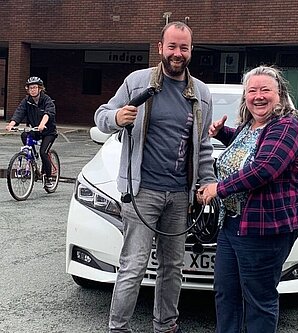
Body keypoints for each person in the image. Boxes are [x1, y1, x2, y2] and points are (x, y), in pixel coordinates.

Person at [94, 21, 216, 333]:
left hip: (179, 197)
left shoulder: (200, 92)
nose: (178, 53)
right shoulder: (137, 82)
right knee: (133, 266)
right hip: (142, 192)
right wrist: (117, 118)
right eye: (172, 46)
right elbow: (101, 116)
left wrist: (203, 185)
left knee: (172, 267)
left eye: (184, 47)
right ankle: (118, 328)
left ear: (191, 51)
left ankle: (165, 325)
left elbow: (201, 146)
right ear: (160, 48)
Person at [198, 65, 298, 333]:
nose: (258, 96)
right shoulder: (251, 126)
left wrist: (217, 189)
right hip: (233, 226)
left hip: (263, 229)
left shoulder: (286, 126)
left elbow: (264, 167)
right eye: (252, 90)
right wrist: (223, 134)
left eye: (265, 90)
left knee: (259, 300)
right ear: (245, 96)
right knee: (226, 294)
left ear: (279, 94)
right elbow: (248, 146)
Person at [5, 76, 57, 187]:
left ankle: (48, 178)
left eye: (35, 87)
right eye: (30, 88)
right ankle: (32, 154)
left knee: (44, 153)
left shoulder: (47, 100)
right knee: (24, 135)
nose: (32, 90)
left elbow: (48, 113)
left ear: (40, 89)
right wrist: (11, 124)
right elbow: (19, 112)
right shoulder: (26, 101)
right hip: (35, 130)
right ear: (27, 89)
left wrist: (42, 124)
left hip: (48, 132)